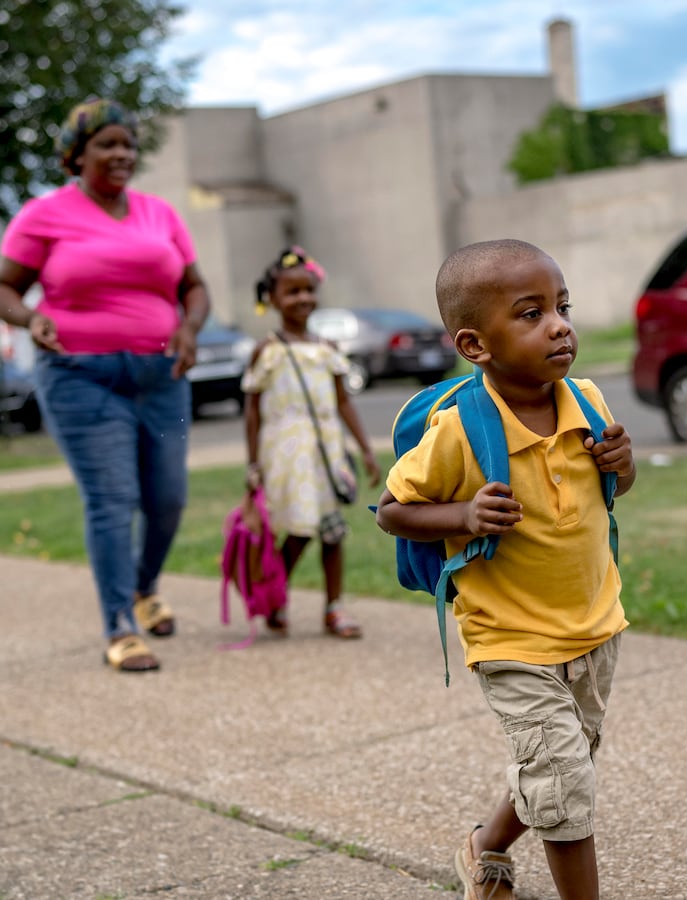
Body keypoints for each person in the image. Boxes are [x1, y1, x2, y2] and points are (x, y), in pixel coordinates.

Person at [376, 239, 637, 900]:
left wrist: (621, 467)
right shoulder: (461, 431)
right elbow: (391, 511)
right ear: (475, 346)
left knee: (559, 767)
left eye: (562, 306)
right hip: (510, 637)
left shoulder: (589, 402)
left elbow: (612, 492)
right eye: (531, 314)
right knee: (564, 780)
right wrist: (462, 515)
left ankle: (484, 847)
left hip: (594, 623)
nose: (559, 325)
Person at [0, 98, 210, 673]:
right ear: (76, 154)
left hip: (162, 375)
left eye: (128, 145)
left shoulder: (160, 214)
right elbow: (2, 289)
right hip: (81, 377)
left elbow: (194, 287)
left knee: (167, 499)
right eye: (107, 144)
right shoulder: (43, 215)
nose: (121, 154)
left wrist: (188, 326)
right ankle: (119, 625)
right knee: (112, 500)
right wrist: (28, 318)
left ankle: (143, 586)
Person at [241, 247, 380, 639]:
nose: (302, 299)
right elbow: (251, 411)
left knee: (333, 531)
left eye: (308, 290)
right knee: (300, 530)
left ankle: (334, 607)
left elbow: (343, 401)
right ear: (271, 299)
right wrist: (252, 464)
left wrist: (365, 450)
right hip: (287, 456)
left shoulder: (326, 349)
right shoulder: (266, 351)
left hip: (326, 453)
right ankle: (274, 596)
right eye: (292, 292)